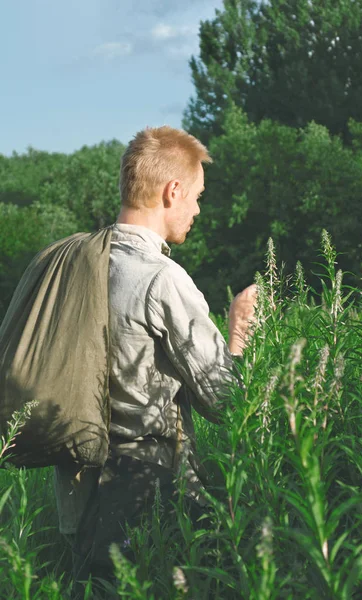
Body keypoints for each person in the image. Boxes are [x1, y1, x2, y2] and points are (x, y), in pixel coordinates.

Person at [52, 126, 257, 592]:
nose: (199, 209)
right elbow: (227, 402)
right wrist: (238, 334)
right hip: (145, 496)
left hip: (74, 490)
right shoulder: (161, 279)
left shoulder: (76, 264)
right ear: (173, 191)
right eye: (198, 196)